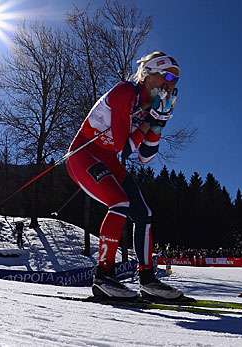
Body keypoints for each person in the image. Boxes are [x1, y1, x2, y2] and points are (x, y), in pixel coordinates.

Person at [65, 51, 182, 299]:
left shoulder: (151, 106)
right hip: (84, 154)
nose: (171, 84)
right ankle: (103, 276)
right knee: (119, 202)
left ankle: (148, 279)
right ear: (150, 74)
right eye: (168, 76)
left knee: (144, 213)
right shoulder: (125, 92)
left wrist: (159, 121)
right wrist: (151, 120)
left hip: (108, 159)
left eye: (176, 80)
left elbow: (145, 157)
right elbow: (123, 147)